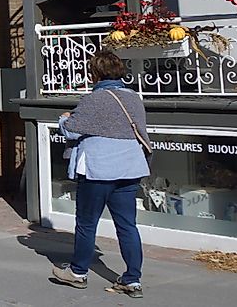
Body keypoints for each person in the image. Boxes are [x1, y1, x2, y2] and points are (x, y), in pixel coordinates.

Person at [50, 50, 149, 298]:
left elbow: (72, 131)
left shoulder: (93, 100)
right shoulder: (134, 98)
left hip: (98, 170)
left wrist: (63, 119)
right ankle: (133, 280)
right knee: (127, 226)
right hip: (129, 169)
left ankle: (78, 273)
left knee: (86, 223)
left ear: (95, 73)